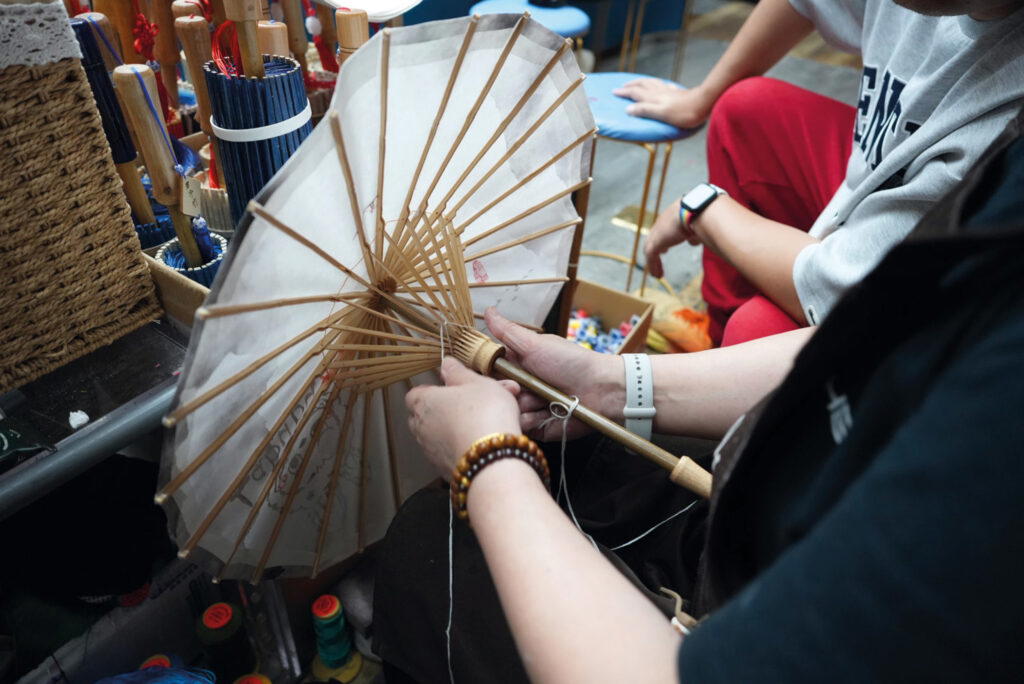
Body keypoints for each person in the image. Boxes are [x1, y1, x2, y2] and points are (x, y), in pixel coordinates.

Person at [371, 104, 1024, 682]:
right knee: (582, 461)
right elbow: (881, 344)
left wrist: (490, 463)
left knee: (431, 538)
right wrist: (608, 384)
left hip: (758, 608)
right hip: (781, 509)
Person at [613, 0, 1024, 346]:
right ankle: (716, 331)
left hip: (928, 285)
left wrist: (702, 210)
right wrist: (700, 100)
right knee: (747, 110)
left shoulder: (1009, 112)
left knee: (755, 332)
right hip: (885, 172)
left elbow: (853, 286)